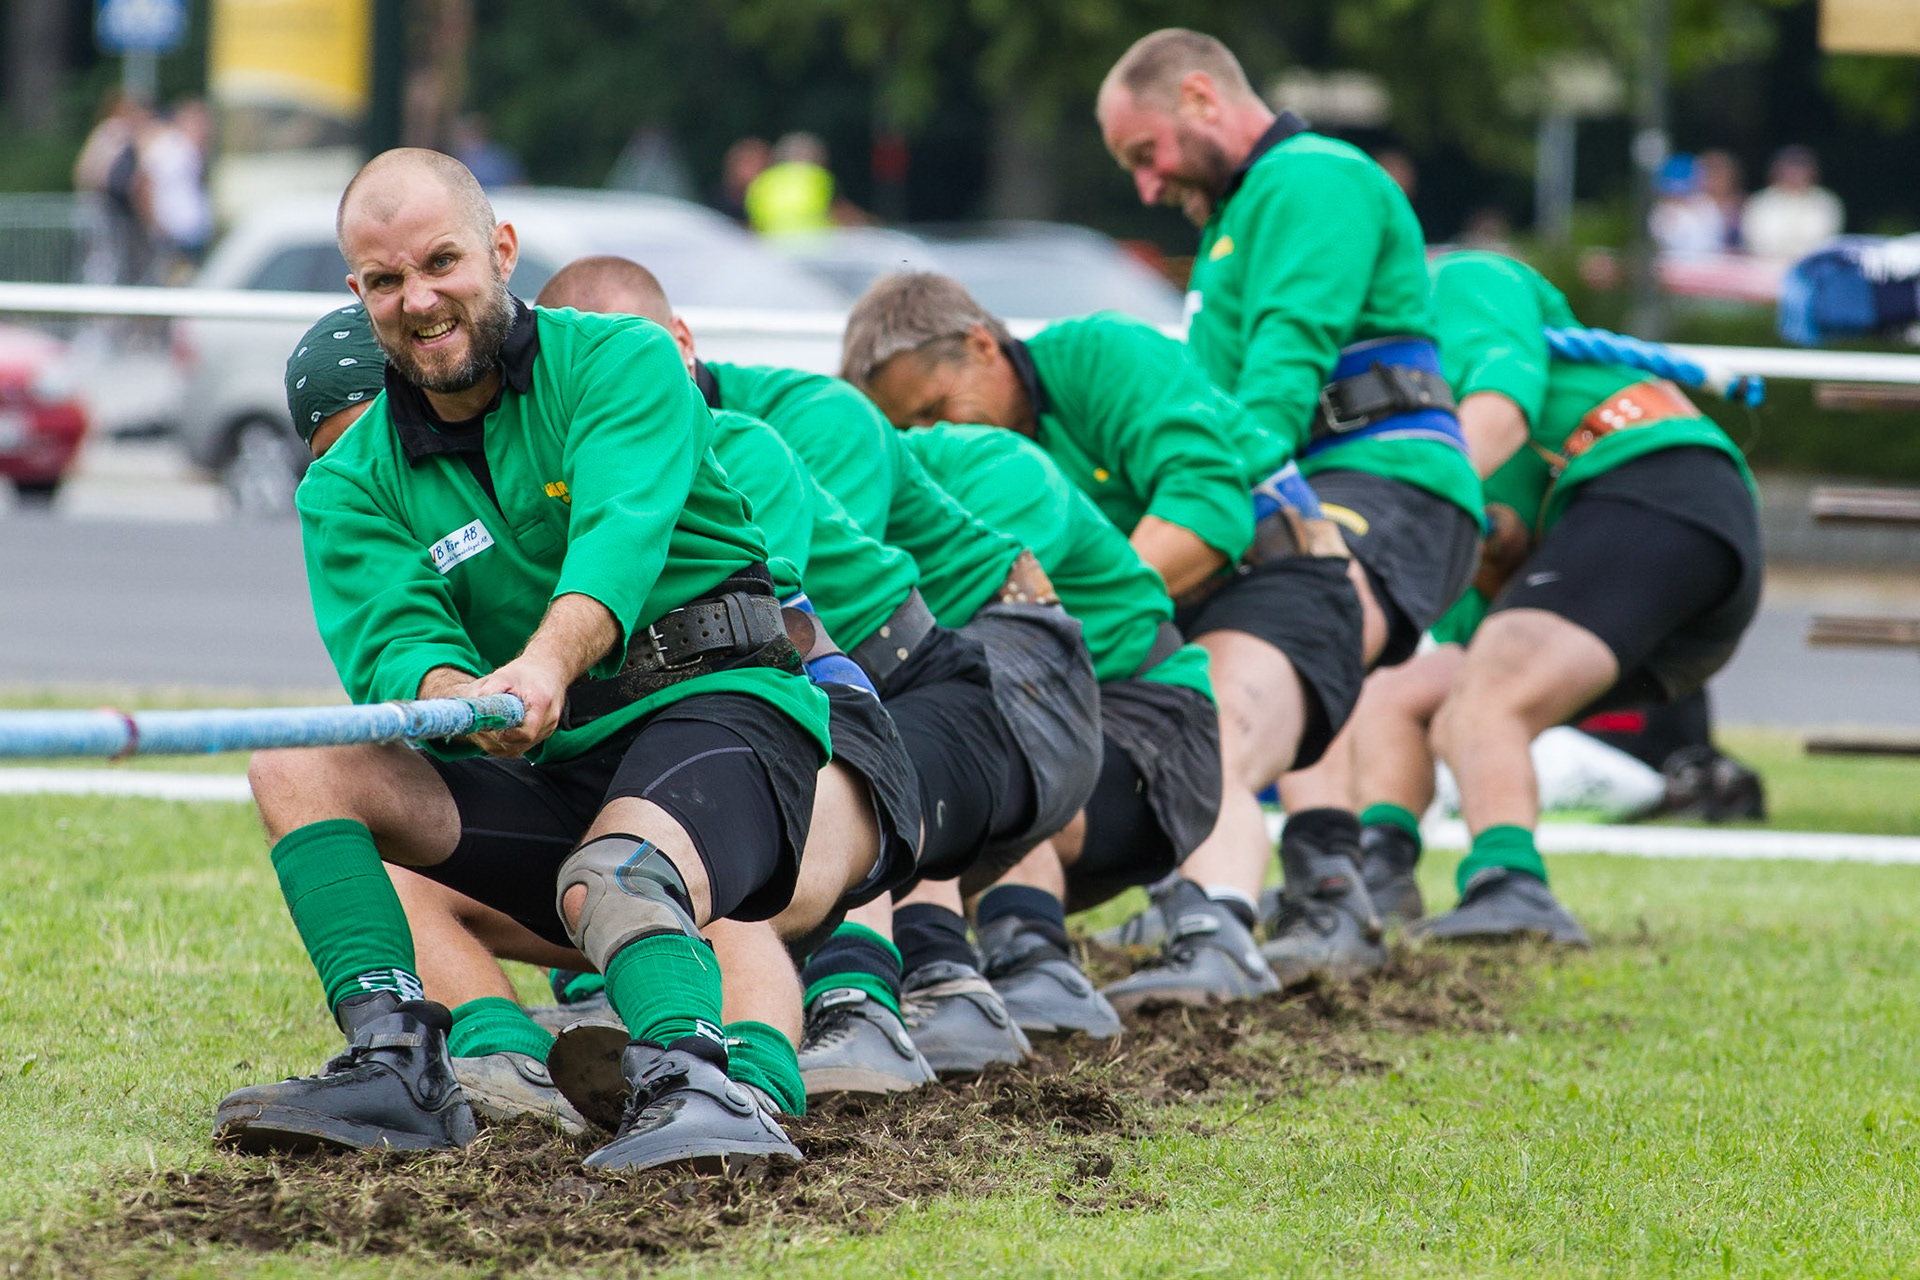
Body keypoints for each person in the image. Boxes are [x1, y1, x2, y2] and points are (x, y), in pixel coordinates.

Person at [214, 149, 878, 1175]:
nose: (418, 299)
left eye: (441, 262)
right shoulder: (346, 482)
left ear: (502, 250)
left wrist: (544, 661)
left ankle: (698, 1079)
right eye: (385, 281)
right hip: (553, 756)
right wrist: (454, 695)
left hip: (720, 712)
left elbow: (619, 538)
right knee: (296, 765)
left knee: (620, 867)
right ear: (358, 292)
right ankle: (397, 1064)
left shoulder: (621, 363)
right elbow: (394, 641)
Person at [842, 273, 1360, 1006]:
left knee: (1221, 734)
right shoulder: (971, 461)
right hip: (1132, 632)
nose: (931, 437)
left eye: (936, 409)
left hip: (1271, 574)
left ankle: (1219, 934)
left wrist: (1069, 613)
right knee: (1011, 780)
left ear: (982, 346)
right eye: (909, 430)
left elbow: (1208, 509)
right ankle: (1018, 953)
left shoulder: (1103, 354)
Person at [1095, 30, 1483, 984]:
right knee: (1232, 646)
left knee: (1275, 635)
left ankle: (1319, 895)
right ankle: (1302, 886)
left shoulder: (1310, 180)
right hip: (1303, 487)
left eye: (1146, 155)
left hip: (1386, 480)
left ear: (1199, 97)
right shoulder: (1244, 215)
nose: (1147, 188)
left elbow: (1279, 378)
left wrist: (1199, 510)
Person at [694, 352, 1102, 1073]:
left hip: (1010, 660)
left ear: (681, 342)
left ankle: (877, 995)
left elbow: (792, 632)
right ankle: (947, 974)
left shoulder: (804, 423)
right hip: (910, 686)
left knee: (837, 782)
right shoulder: (578, 461)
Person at [1420, 249, 1762, 941]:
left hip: (1653, 482)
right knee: (1418, 696)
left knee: (1490, 697)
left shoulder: (1458, 285)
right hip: (1679, 594)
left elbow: (1502, 393)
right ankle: (1362, 876)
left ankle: (1513, 890)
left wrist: (1412, 500)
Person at [900, 422, 1222, 1036]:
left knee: (943, 753)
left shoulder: (996, 466)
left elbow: (929, 652)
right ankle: (971, 962)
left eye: (929, 407)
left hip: (1148, 728)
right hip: (1059, 734)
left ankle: (1025, 961)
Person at [140, 100, 214, 281]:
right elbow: (144, 184)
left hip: (190, 235)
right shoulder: (169, 147)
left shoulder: (191, 150)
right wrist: (155, 223)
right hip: (172, 235)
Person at [1742, 146, 1843, 263]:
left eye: (1801, 168)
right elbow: (1757, 241)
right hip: (1765, 268)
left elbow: (1823, 242)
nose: (1795, 174)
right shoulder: (1759, 202)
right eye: (1790, 168)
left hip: (1809, 271)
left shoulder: (1826, 202)